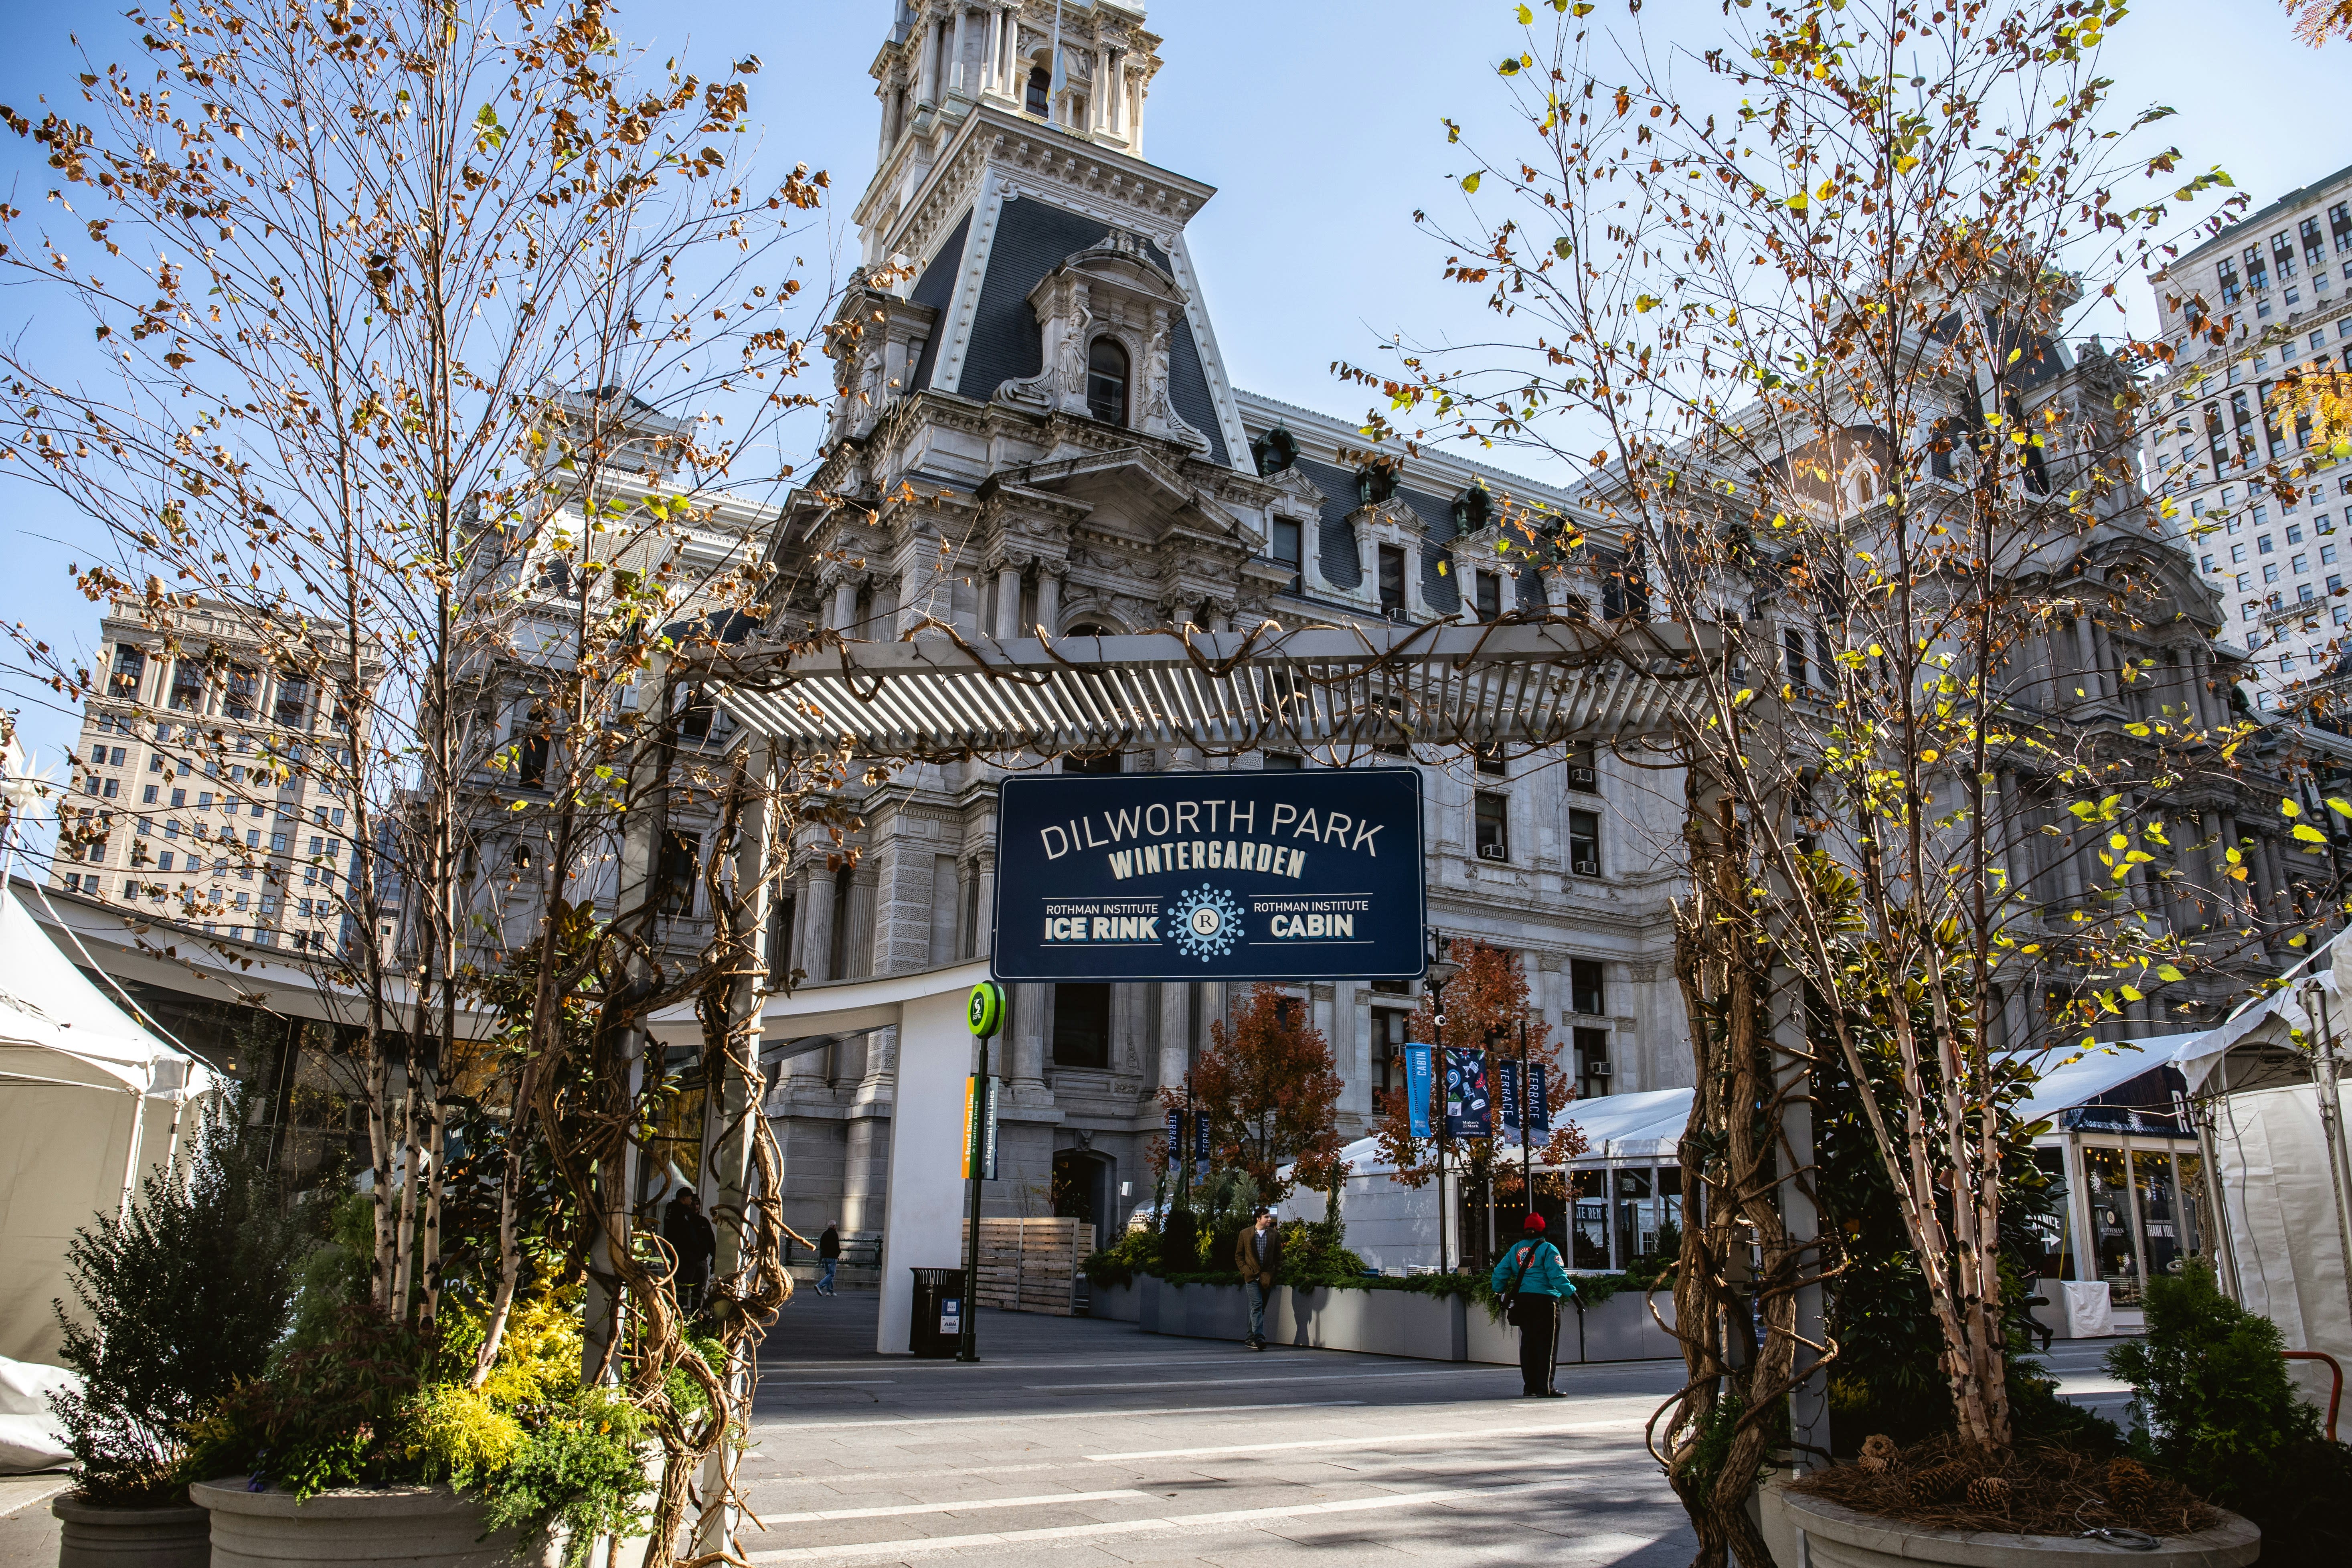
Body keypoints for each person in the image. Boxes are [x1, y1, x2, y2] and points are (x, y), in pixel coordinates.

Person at [1491, 1213, 1575, 1397]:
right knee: (1547, 1345)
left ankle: (1529, 1387)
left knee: (1528, 1344)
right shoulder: (1548, 1249)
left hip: (1524, 1302)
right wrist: (1573, 1294)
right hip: (1546, 1302)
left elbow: (1500, 1272)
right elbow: (1557, 1276)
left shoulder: (1515, 1250)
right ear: (1543, 1230)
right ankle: (1545, 1388)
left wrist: (1499, 1292)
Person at [1233, 1206, 1282, 1350]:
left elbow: (1279, 1257)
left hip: (1267, 1277)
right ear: (1258, 1219)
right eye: (1266, 1217)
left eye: (1269, 1217)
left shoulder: (1274, 1235)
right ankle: (1259, 1339)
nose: (1269, 1219)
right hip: (1251, 1277)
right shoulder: (1245, 1234)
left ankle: (1250, 1338)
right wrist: (1245, 1271)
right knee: (1257, 1306)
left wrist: (1276, 1273)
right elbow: (1239, 1256)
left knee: (1260, 1309)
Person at [663, 1188, 718, 1312]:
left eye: (697, 1203)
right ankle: (677, 1315)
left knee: (698, 1292)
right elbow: (680, 1238)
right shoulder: (679, 1214)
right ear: (684, 1199)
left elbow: (710, 1241)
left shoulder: (701, 1221)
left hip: (697, 1260)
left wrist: (714, 1257)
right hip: (685, 1261)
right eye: (691, 1202)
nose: (694, 1205)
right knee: (682, 1291)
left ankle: (696, 1317)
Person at [816, 1223, 842, 1297]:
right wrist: (838, 1254)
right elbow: (837, 1246)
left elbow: (821, 1247)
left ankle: (830, 1291)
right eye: (836, 1225)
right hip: (832, 1257)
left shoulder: (825, 1234)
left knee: (828, 1274)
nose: (837, 1227)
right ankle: (820, 1286)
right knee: (831, 1274)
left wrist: (821, 1258)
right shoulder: (835, 1234)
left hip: (825, 1257)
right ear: (834, 1226)